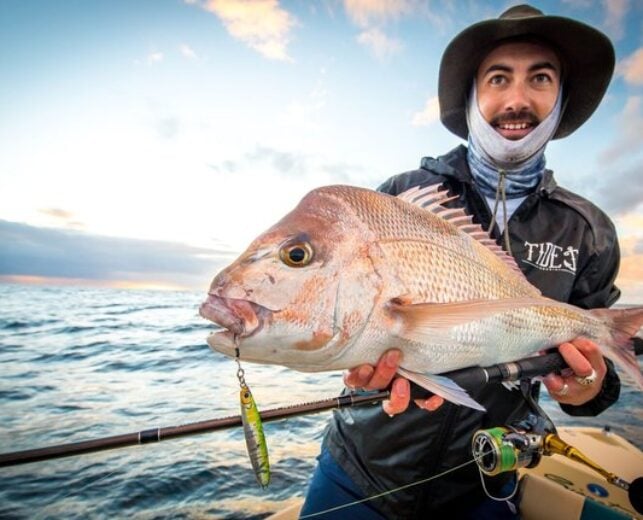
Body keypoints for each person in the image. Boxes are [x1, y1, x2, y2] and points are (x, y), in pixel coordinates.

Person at [300, 4, 622, 519]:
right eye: (499, 78)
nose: (518, 99)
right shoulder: (402, 197)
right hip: (360, 469)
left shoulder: (588, 229)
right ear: (472, 95)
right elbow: (354, 324)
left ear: (560, 98)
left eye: (540, 78)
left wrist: (586, 386)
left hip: (487, 479)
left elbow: (600, 384)